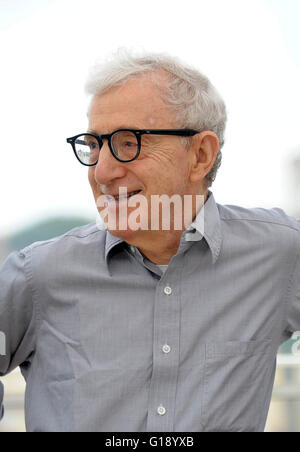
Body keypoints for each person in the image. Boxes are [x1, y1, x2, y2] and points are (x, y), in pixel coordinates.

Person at [0, 50, 299, 433]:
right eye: (94, 145)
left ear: (201, 155)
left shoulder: (279, 254)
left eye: (129, 143)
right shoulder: (37, 275)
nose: (102, 171)